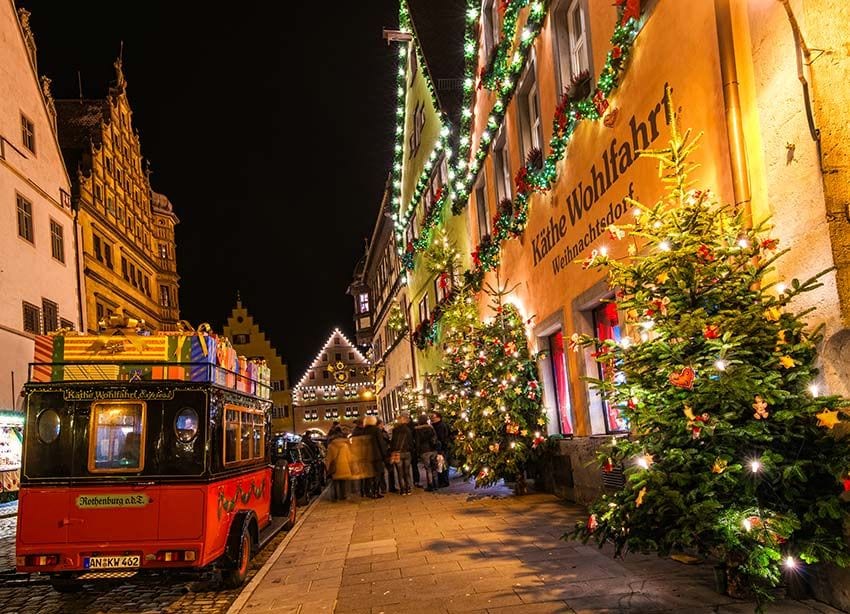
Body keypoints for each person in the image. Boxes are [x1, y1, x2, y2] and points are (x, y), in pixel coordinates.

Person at [349, 419, 377, 498]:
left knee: (361, 476)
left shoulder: (354, 432)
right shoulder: (363, 431)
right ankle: (367, 491)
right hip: (365, 455)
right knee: (367, 475)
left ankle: (362, 492)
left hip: (358, 456)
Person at [324, 428, 353, 501]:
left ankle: (336, 496)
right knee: (343, 483)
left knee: (335, 483)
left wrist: (328, 468)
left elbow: (328, 458)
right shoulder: (345, 445)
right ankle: (343, 495)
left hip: (335, 468)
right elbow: (349, 457)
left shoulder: (331, 446)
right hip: (345, 466)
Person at [362, 415, 387, 498]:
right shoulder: (376, 430)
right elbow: (381, 443)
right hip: (376, 456)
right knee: (378, 474)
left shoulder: (363, 431)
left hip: (366, 456)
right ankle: (376, 491)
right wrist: (384, 454)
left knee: (369, 475)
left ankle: (368, 491)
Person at [390, 413, 414, 495]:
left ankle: (403, 489)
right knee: (407, 471)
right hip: (407, 452)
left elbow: (393, 442)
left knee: (400, 472)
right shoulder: (408, 430)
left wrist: (392, 450)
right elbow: (411, 442)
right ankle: (408, 488)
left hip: (398, 453)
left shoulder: (395, 430)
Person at [414, 414, 438, 492]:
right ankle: (436, 484)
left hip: (424, 451)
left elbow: (417, 442)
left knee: (428, 469)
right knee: (434, 467)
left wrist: (417, 452)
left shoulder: (417, 430)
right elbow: (435, 437)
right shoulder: (431, 427)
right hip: (432, 449)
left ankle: (430, 485)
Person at [430, 411, 452, 488]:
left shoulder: (441, 426)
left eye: (433, 417)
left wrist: (441, 446)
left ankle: (444, 481)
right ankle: (441, 481)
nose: (432, 419)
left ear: (438, 417)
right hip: (440, 447)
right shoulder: (435, 425)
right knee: (440, 465)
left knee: (443, 465)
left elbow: (443, 437)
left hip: (442, 448)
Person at [376, 419, 395, 493]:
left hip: (386, 453)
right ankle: (384, 488)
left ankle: (390, 487)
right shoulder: (380, 433)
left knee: (390, 470)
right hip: (382, 453)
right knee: (382, 472)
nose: (382, 425)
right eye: (381, 424)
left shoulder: (384, 432)